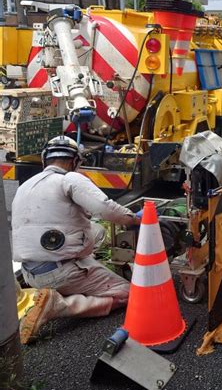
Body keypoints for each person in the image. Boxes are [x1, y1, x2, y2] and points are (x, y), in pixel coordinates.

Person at [11, 135, 142, 344]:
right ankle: (59, 305)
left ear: (45, 160)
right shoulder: (70, 179)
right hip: (60, 272)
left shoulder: (25, 186)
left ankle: (75, 279)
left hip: (30, 273)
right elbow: (105, 209)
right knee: (129, 293)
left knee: (97, 231)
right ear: (75, 161)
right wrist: (133, 218)